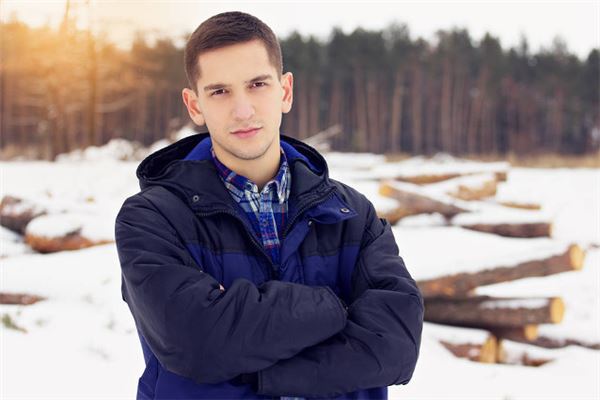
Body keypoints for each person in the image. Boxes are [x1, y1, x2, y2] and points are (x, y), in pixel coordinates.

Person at [114, 11, 424, 400]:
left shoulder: (351, 214)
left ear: (285, 91)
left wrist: (257, 352)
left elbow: (396, 345)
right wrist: (335, 307)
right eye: (220, 91)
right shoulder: (151, 219)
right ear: (195, 105)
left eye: (257, 84)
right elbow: (199, 341)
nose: (243, 110)